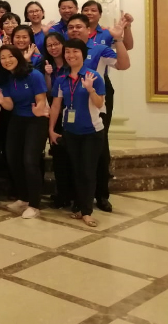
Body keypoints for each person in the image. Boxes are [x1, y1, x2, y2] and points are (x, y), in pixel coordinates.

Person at [66, 12, 131, 212]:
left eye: (79, 26)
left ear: (88, 30)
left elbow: (123, 65)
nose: (75, 30)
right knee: (75, 153)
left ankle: (101, 195)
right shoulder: (65, 50)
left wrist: (119, 38)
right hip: (72, 104)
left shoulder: (100, 49)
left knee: (99, 149)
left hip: (96, 103)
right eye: (71, 27)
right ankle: (78, 198)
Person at [0, 45, 50, 219]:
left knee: (30, 161)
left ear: (18, 56)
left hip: (36, 120)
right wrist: (0, 100)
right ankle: (23, 198)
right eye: (2, 58)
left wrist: (38, 110)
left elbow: (41, 100)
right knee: (13, 159)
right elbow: (10, 106)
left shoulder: (34, 75)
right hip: (18, 119)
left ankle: (34, 204)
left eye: (10, 56)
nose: (6, 60)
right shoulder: (6, 79)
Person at [48, 38, 107, 228]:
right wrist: (51, 129)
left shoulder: (93, 76)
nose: (70, 55)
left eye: (75, 52)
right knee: (76, 169)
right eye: (68, 52)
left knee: (88, 171)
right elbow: (56, 105)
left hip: (91, 132)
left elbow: (99, 104)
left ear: (83, 54)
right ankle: (80, 207)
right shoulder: (61, 78)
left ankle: (87, 211)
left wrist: (90, 89)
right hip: (70, 131)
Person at [42, 32, 73, 209]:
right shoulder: (47, 65)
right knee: (59, 156)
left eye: (56, 44)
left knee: (73, 156)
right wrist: (48, 75)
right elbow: (48, 91)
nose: (53, 48)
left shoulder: (72, 64)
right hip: (54, 113)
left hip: (73, 113)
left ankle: (74, 193)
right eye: (49, 45)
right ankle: (62, 194)